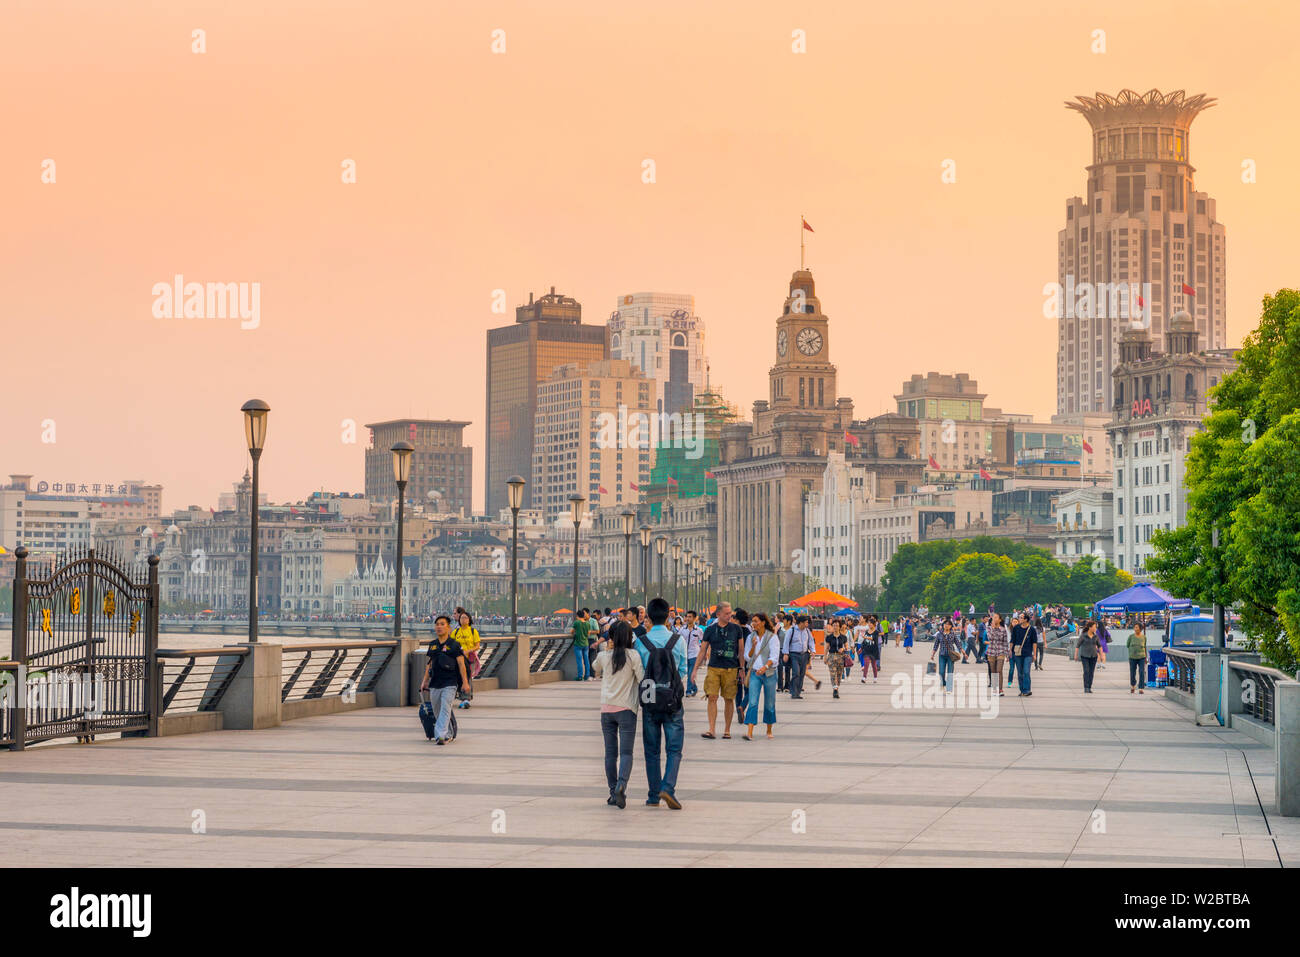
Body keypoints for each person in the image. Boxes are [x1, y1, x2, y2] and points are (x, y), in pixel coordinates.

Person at [636, 597, 688, 808]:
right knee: (674, 749)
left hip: (649, 699)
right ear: (668, 617)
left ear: (648, 616)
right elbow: (683, 670)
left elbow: (639, 672)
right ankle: (668, 787)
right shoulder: (678, 641)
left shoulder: (641, 642)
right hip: (672, 700)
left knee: (652, 750)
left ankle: (653, 794)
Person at [593, 619, 644, 808]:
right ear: (630, 637)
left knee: (610, 754)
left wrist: (607, 649)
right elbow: (642, 678)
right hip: (627, 710)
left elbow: (594, 668)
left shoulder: (605, 656)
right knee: (626, 753)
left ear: (611, 637)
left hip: (607, 709)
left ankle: (612, 791)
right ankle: (621, 784)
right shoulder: (634, 656)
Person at [692, 601, 745, 739]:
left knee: (729, 699)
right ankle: (712, 729)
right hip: (714, 668)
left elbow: (741, 650)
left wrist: (742, 669)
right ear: (718, 614)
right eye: (726, 613)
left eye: (730, 613)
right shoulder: (710, 629)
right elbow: (703, 650)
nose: (729, 616)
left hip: (731, 668)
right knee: (712, 697)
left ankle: (727, 730)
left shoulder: (736, 629)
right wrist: (695, 669)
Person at [419, 615, 471, 745]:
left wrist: (465, 682)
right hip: (435, 683)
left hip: (450, 682)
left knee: (445, 708)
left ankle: (441, 735)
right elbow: (429, 664)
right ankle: (448, 733)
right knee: (437, 710)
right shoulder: (433, 645)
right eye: (437, 624)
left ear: (448, 628)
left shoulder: (454, 645)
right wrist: (425, 681)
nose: (439, 627)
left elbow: (461, 664)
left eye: (442, 624)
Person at [742, 612, 781, 739]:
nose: (754, 623)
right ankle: (749, 731)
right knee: (753, 701)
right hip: (755, 672)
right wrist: (753, 647)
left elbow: (774, 656)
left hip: (769, 673)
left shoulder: (772, 637)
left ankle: (769, 729)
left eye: (756, 621)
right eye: (752, 621)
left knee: (770, 703)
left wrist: (765, 667)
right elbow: (747, 657)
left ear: (763, 622)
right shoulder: (750, 637)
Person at [782, 614, 819, 699]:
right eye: (806, 622)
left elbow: (810, 641)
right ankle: (793, 692)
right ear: (801, 623)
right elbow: (786, 642)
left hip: (804, 655)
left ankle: (797, 693)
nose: (807, 624)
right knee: (796, 673)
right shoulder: (792, 630)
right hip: (794, 654)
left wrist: (813, 651)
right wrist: (785, 653)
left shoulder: (807, 631)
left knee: (802, 674)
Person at [929, 619, 961, 694]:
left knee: (950, 672)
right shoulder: (939, 634)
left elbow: (958, 643)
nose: (946, 625)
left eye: (948, 624)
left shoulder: (953, 634)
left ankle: (949, 688)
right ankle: (943, 683)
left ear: (951, 626)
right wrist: (933, 654)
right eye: (945, 624)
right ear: (943, 625)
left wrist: (962, 651)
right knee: (941, 672)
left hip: (951, 656)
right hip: (942, 655)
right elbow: (936, 645)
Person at [1010, 611, 1037, 696]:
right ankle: (1022, 690)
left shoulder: (1032, 629)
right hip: (1017, 653)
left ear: (1026, 619)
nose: (1019, 619)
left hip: (1028, 654)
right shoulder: (1016, 628)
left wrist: (1035, 654)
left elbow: (1034, 642)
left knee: (1026, 672)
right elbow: (1012, 640)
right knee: (1020, 673)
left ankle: (1027, 690)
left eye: (1021, 617)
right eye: (1019, 617)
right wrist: (1010, 651)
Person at [679, 610, 704, 697]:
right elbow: (678, 641)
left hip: (694, 655)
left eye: (690, 617)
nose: (688, 619)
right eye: (687, 617)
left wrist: (704, 653)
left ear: (694, 618)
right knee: (688, 673)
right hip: (684, 654)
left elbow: (703, 641)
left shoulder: (698, 630)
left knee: (690, 673)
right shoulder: (682, 630)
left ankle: (688, 690)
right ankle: (694, 688)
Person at [452, 610, 483, 680]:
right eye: (461, 618)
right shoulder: (456, 632)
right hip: (458, 657)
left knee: (468, 677)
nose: (463, 620)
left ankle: (468, 689)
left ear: (469, 620)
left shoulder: (473, 631)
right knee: (458, 677)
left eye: (465, 618)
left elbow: (477, 646)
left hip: (469, 657)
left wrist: (468, 651)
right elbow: (450, 644)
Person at [985, 611, 1009, 696]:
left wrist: (1007, 654)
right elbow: (990, 638)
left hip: (1001, 651)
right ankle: (995, 689)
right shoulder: (988, 628)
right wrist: (993, 628)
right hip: (991, 652)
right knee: (993, 671)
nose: (994, 619)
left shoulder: (1003, 629)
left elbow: (1005, 642)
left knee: (999, 670)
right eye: (993, 617)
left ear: (1000, 619)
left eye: (996, 617)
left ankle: (1001, 690)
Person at [823, 617, 848, 699]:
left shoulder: (843, 637)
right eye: (834, 625)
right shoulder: (829, 637)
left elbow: (846, 647)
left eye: (837, 625)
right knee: (833, 674)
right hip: (831, 656)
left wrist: (843, 649)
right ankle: (835, 689)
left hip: (840, 657)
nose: (835, 627)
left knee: (839, 675)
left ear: (840, 627)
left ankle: (836, 686)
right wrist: (825, 657)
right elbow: (826, 648)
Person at [1075, 619, 1101, 693]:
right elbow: (1077, 646)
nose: (1095, 628)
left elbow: (1099, 646)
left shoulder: (1096, 636)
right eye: (1094, 627)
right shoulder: (1083, 636)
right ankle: (1086, 687)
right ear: (1090, 627)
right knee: (1086, 671)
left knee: (1091, 672)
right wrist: (1076, 655)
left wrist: (1101, 656)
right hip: (1084, 656)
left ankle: (1089, 687)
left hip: (1094, 656)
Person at [858, 615, 881, 683]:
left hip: (874, 651)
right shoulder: (867, 632)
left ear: (874, 624)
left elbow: (873, 638)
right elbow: (864, 642)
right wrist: (861, 648)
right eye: (869, 623)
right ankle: (864, 678)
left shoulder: (876, 632)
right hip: (866, 651)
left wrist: (865, 637)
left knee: (874, 665)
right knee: (866, 664)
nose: (869, 625)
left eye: (870, 623)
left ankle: (875, 677)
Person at [1128, 620, 1148, 694]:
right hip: (1132, 657)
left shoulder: (1144, 637)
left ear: (1140, 628)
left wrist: (1146, 657)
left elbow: (1145, 647)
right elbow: (1128, 645)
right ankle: (1133, 685)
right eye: (1135, 627)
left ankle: (1141, 688)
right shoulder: (1131, 637)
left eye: (1137, 627)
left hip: (1142, 657)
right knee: (1132, 672)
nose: (1135, 629)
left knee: (1142, 672)